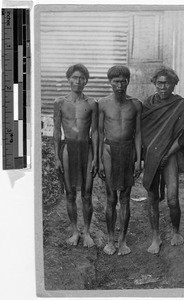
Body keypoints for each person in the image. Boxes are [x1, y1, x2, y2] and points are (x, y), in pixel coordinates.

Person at [142, 65, 184, 254]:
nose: (163, 87)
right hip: (151, 157)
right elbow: (143, 133)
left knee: (172, 198)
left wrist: (166, 154)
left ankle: (176, 232)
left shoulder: (180, 105)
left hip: (171, 154)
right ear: (154, 84)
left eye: (167, 83)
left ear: (174, 85)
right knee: (152, 197)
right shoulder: (147, 104)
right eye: (159, 83)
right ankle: (155, 237)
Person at [98, 65, 142, 256]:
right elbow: (99, 133)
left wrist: (138, 159)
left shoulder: (136, 104)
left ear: (128, 81)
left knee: (125, 198)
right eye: (116, 81)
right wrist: (99, 160)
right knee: (110, 198)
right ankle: (109, 239)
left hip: (128, 151)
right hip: (108, 151)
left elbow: (139, 133)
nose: (120, 85)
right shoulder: (103, 103)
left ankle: (122, 240)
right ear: (110, 82)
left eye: (123, 80)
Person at [53, 63, 98, 247]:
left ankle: (86, 231)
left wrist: (95, 157)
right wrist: (56, 157)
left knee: (87, 193)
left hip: (85, 148)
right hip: (67, 148)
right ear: (68, 79)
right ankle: (74, 231)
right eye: (74, 77)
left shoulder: (92, 103)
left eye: (81, 78)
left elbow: (95, 132)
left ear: (85, 81)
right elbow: (56, 131)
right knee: (70, 193)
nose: (78, 81)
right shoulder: (60, 103)